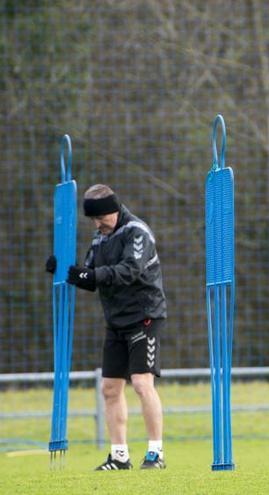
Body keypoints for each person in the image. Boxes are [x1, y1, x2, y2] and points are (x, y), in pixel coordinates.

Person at [46, 184, 168, 471]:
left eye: (101, 218)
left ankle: (155, 453)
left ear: (115, 209)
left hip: (144, 315)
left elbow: (130, 270)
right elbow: (90, 278)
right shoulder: (100, 239)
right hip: (116, 321)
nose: (97, 224)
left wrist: (89, 273)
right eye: (93, 220)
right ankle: (119, 456)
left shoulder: (137, 232)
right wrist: (64, 270)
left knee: (141, 382)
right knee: (110, 388)